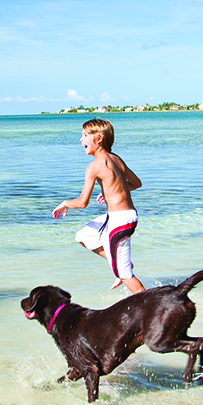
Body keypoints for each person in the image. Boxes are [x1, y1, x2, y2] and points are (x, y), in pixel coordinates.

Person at [52, 117, 145, 294]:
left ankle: (149, 307)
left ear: (99, 139)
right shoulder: (116, 159)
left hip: (119, 221)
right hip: (127, 216)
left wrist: (65, 203)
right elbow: (136, 183)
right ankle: (117, 262)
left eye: (85, 135)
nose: (81, 139)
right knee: (84, 235)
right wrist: (111, 193)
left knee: (125, 275)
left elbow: (82, 203)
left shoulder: (94, 166)